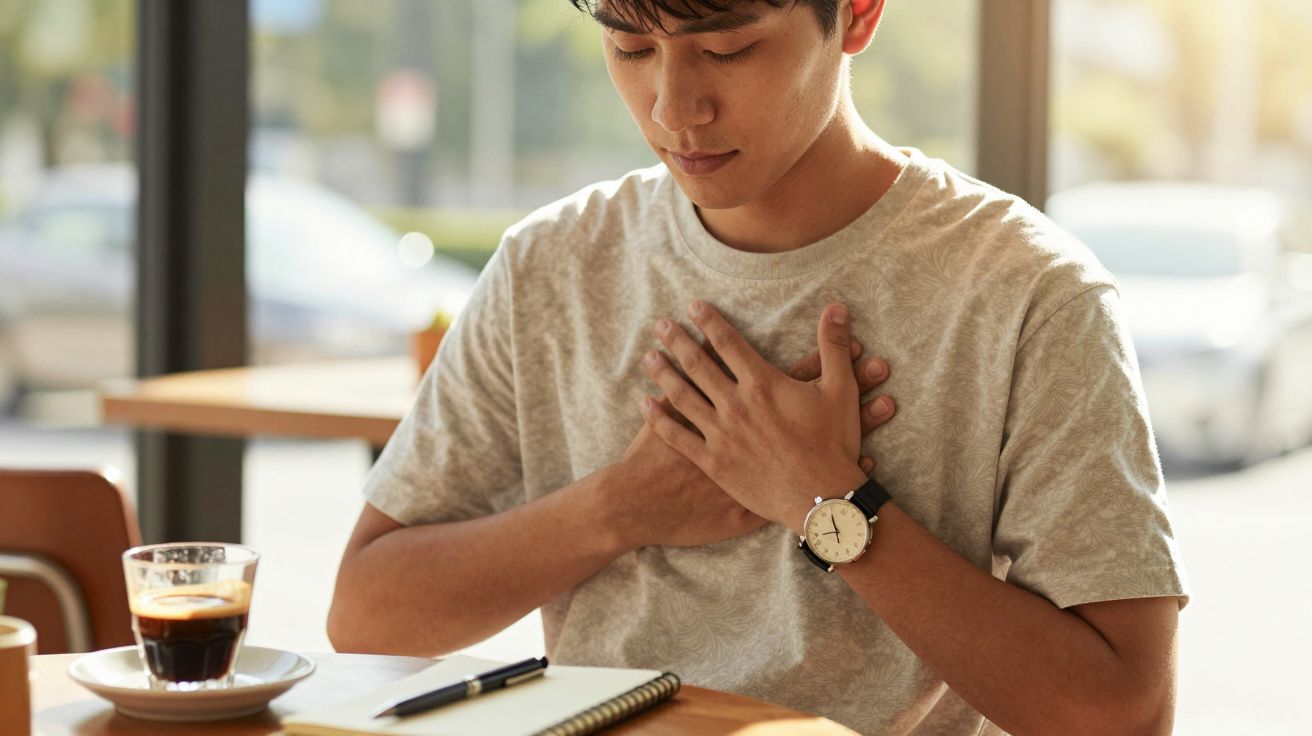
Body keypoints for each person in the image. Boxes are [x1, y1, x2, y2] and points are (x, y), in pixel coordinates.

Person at [328, 1, 1190, 733]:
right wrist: (619, 508)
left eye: (727, 48)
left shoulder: (1030, 291)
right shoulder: (552, 263)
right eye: (631, 47)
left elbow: (1125, 710)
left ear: (856, 15)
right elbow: (367, 615)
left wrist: (831, 505)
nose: (674, 108)